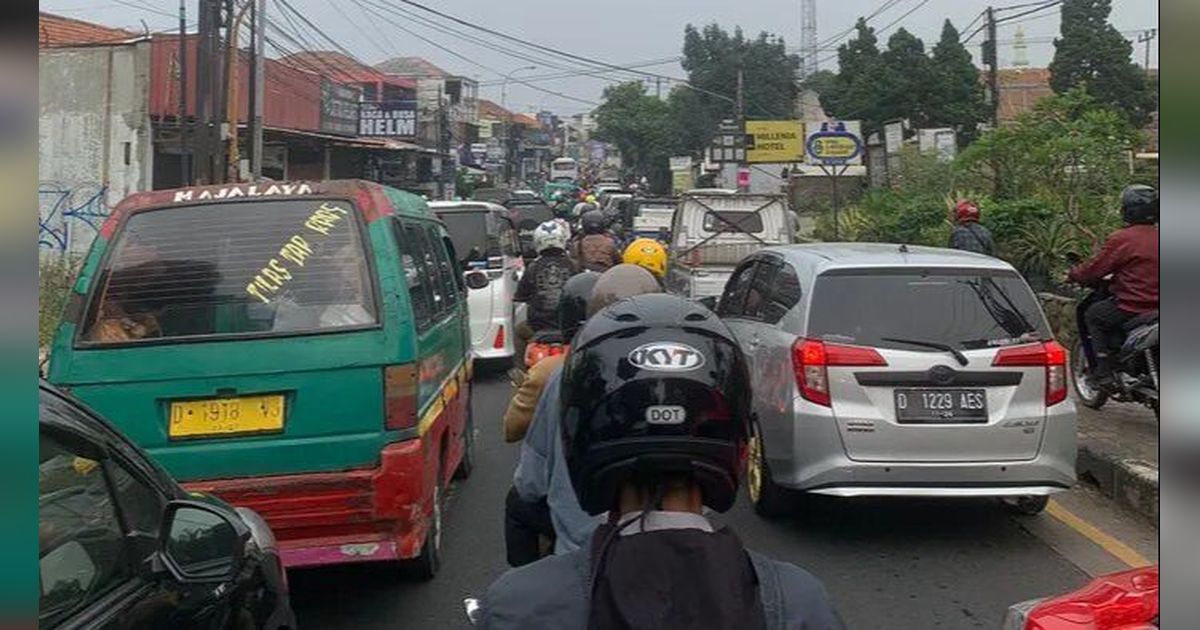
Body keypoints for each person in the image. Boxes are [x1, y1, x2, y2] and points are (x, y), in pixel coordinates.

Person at [481, 294, 843, 630]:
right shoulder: (798, 603)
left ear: (580, 434)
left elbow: (527, 484)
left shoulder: (519, 606)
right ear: (736, 439)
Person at [511, 264, 662, 558]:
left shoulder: (563, 376)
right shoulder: (678, 381)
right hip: (672, 554)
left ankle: (527, 580)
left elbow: (530, 483)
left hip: (579, 551)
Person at [502, 271, 600, 568]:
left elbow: (530, 481)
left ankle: (524, 586)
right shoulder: (668, 377)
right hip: (667, 537)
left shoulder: (556, 374)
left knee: (517, 501)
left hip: (579, 535)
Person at [1067, 184, 1159, 387]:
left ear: (1126, 209)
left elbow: (1094, 270)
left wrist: (1074, 274)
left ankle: (1104, 372)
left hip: (1132, 307)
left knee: (1093, 315)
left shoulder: (1122, 238)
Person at [513, 221, 576, 366]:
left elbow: (520, 296)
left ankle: (520, 374)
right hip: (568, 329)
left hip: (537, 328)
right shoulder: (573, 265)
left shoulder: (533, 267)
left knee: (518, 332)